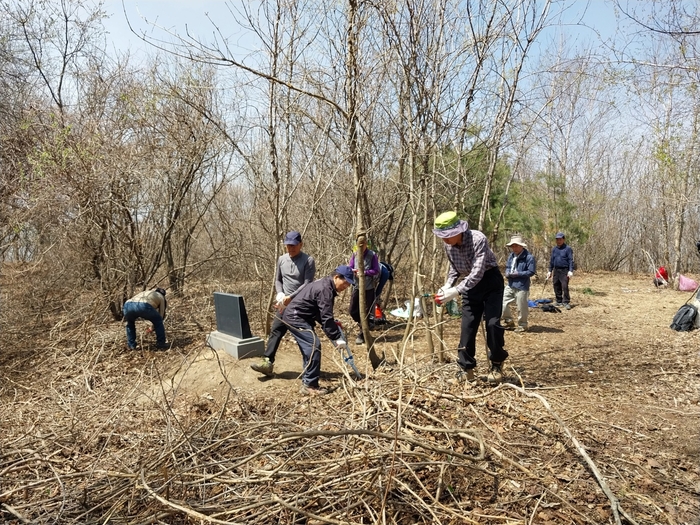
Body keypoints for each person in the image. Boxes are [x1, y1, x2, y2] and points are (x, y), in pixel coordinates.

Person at [432, 211, 508, 384]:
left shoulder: (478, 239)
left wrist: (456, 291)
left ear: (458, 231)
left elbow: (477, 272)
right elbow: (455, 268)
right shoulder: (448, 246)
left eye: (448, 236)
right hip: (468, 287)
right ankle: (466, 369)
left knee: (492, 324)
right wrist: (448, 285)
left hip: (490, 282)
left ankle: (496, 363)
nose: (445, 240)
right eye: (442, 236)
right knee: (468, 327)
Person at [282, 265, 355, 395]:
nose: (346, 287)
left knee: (309, 348)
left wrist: (332, 324)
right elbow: (326, 317)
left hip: (300, 316)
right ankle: (309, 385)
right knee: (313, 346)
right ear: (336, 277)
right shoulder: (325, 289)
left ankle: (308, 380)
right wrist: (337, 337)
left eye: (349, 285)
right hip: (295, 317)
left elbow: (321, 313)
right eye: (345, 283)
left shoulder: (325, 285)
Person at [251, 230, 316, 376]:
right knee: (276, 331)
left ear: (301, 244)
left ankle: (310, 367)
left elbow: (307, 283)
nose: (291, 248)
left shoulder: (308, 260)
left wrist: (291, 297)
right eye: (288, 246)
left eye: (293, 245)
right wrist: (280, 294)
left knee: (304, 336)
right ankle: (267, 362)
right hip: (283, 304)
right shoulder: (282, 259)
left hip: (301, 304)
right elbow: (278, 279)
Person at [501, 235, 536, 333]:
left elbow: (531, 271)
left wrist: (518, 274)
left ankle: (523, 325)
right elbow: (508, 266)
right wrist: (507, 272)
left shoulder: (529, 257)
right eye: (512, 246)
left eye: (516, 246)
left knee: (521, 307)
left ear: (521, 246)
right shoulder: (511, 256)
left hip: (522, 286)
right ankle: (509, 321)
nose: (514, 248)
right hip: (510, 284)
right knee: (502, 303)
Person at [348, 237, 380, 344]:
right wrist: (353, 271)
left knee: (365, 312)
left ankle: (362, 334)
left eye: (363, 244)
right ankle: (363, 325)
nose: (361, 246)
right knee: (352, 310)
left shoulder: (372, 255)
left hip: (368, 287)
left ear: (366, 243)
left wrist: (364, 272)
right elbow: (350, 267)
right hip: (357, 286)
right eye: (359, 244)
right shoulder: (355, 254)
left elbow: (376, 270)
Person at [547, 232, 574, 309]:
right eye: (557, 239)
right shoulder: (554, 249)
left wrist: (570, 270)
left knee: (564, 286)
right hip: (556, 270)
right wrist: (550, 270)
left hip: (564, 270)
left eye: (560, 239)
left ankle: (566, 302)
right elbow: (552, 260)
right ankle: (559, 301)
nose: (558, 241)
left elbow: (570, 260)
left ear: (563, 239)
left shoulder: (568, 249)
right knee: (556, 285)